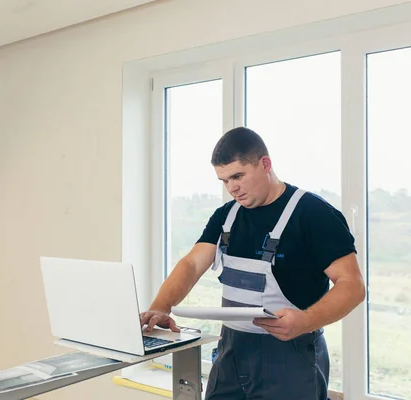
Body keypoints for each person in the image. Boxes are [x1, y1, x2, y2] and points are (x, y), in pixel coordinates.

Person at [139, 127, 366, 400]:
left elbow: (352, 285)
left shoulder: (313, 214)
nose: (232, 188)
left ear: (265, 164)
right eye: (224, 180)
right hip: (231, 351)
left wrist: (305, 321)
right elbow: (191, 264)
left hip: (290, 352)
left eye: (238, 176)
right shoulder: (227, 216)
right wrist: (161, 307)